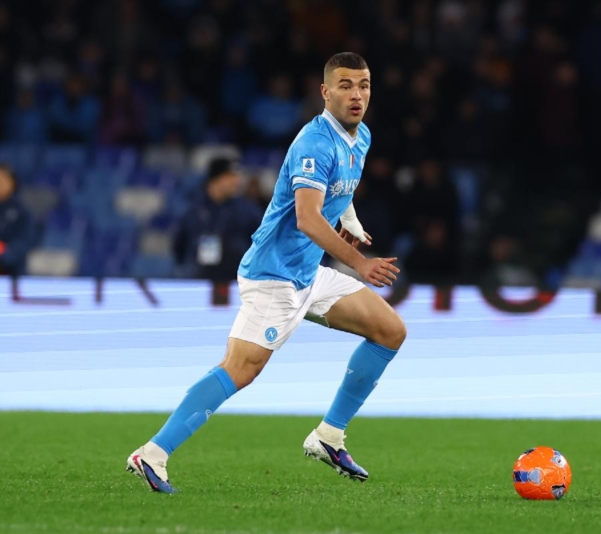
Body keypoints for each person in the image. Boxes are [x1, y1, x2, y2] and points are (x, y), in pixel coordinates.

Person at [127, 52, 406, 493]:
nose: (356, 94)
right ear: (325, 92)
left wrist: (350, 220)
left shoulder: (361, 136)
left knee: (389, 330)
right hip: (273, 275)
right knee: (241, 368)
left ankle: (329, 436)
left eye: (364, 85)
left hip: (308, 274)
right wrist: (359, 263)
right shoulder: (314, 143)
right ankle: (153, 453)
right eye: (346, 85)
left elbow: (341, 188)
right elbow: (308, 218)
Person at [173, 157, 262, 283]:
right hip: (200, 281)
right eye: (230, 176)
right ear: (215, 179)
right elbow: (180, 247)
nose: (236, 181)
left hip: (236, 282)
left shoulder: (248, 211)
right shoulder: (193, 212)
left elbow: (261, 245)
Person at [0, 165, 36, 276]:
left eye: (4, 179)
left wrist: (3, 255)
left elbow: (23, 243)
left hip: (10, 273)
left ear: (13, 183)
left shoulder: (21, 213)